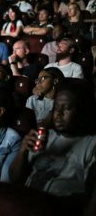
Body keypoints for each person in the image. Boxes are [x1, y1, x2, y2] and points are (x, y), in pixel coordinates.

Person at [9, 80, 96, 214]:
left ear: (81, 110)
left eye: (66, 108)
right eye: (56, 107)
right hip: (25, 204)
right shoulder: (45, 136)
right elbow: (15, 179)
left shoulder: (91, 144)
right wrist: (23, 151)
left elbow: (90, 198)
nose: (58, 113)